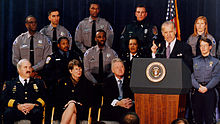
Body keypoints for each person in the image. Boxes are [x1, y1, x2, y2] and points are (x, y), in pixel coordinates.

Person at [43, 37, 82, 123]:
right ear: (58, 45)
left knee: (72, 108)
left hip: (73, 87)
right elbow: (47, 74)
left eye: (67, 43)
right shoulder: (53, 57)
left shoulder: (75, 55)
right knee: (72, 113)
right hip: (57, 89)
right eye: (63, 44)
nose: (66, 46)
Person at [2, 59, 46, 124]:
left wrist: (34, 105)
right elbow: (4, 98)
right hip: (16, 110)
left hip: (33, 110)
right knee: (8, 112)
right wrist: (17, 105)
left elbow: (45, 96)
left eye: (30, 67)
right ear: (18, 70)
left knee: (37, 112)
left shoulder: (38, 83)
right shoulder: (10, 83)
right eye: (25, 67)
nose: (28, 70)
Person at [191, 38, 220, 124]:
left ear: (210, 47)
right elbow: (191, 76)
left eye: (205, 46)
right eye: (201, 46)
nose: (203, 48)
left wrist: (206, 88)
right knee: (196, 117)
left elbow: (216, 77)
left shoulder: (216, 62)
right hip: (197, 91)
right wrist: (198, 86)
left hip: (209, 92)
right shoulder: (194, 60)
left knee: (209, 118)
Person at [55, 59, 93, 123]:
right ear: (70, 71)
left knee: (72, 106)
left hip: (81, 109)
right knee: (73, 114)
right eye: (76, 69)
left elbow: (89, 99)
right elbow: (58, 98)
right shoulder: (63, 82)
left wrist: (75, 103)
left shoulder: (87, 83)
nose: (79, 71)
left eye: (80, 69)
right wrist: (69, 103)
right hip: (65, 108)